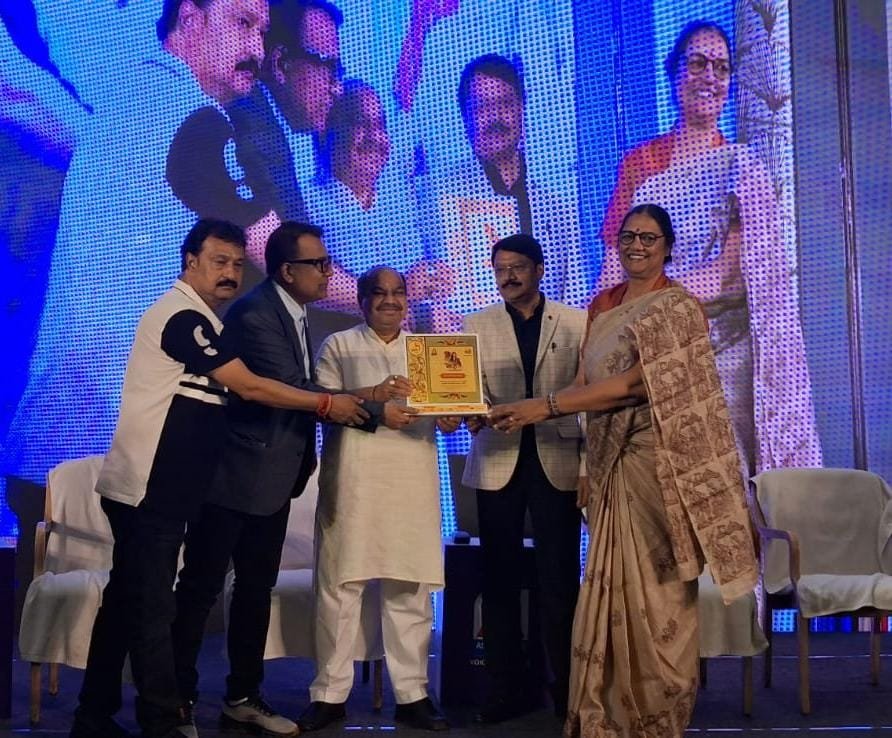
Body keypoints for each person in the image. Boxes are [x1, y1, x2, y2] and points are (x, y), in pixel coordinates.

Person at [70, 219, 371, 738]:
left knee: (126, 600)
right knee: (153, 607)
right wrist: (327, 403)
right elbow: (252, 387)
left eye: (236, 263)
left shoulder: (203, 318)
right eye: (218, 261)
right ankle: (162, 721)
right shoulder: (183, 318)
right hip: (148, 487)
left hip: (167, 488)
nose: (230, 272)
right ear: (190, 261)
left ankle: (93, 714)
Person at [491, 204, 759, 736]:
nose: (636, 245)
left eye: (649, 238)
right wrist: (526, 417)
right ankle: (608, 710)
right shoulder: (604, 304)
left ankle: (657, 709)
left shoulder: (678, 306)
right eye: (628, 236)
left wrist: (541, 407)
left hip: (658, 465)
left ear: (667, 247)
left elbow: (636, 385)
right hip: (610, 462)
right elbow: (586, 387)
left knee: (658, 589)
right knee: (611, 587)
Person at [4, 0, 270, 485]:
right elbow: (276, 251)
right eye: (243, 23)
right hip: (111, 435)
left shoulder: (126, 96)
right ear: (190, 17)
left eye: (263, 32)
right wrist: (384, 289)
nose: (258, 48)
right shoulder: (195, 117)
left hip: (55, 424)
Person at [169, 223, 415, 735]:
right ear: (287, 271)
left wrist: (368, 393)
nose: (328, 272)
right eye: (319, 264)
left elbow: (304, 389)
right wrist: (372, 407)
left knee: (255, 590)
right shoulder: (256, 313)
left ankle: (243, 697)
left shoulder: (294, 311)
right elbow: (288, 388)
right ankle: (177, 701)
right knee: (200, 590)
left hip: (275, 477)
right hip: (233, 474)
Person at [597, 20, 822, 477]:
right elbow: (612, 273)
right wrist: (598, 333)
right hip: (652, 352)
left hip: (723, 359)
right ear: (674, 73)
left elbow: (731, 275)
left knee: (726, 487)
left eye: (721, 67)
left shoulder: (742, 168)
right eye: (697, 63)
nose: (710, 77)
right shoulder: (641, 165)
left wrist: (649, 300)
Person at [298, 266, 455, 732]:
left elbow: (448, 414)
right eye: (379, 293)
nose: (390, 301)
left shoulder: (427, 351)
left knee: (409, 588)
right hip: (354, 482)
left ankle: (413, 694)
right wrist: (374, 398)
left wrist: (451, 416)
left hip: (411, 482)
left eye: (398, 293)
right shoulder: (339, 345)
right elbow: (322, 405)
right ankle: (329, 694)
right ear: (362, 300)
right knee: (340, 588)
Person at [461, 233, 585, 723]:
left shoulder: (577, 322)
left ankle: (568, 690)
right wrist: (471, 412)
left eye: (516, 267)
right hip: (498, 460)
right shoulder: (476, 325)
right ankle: (505, 689)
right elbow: (469, 394)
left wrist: (587, 464)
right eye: (499, 269)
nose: (507, 277)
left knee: (560, 582)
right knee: (499, 580)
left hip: (559, 459)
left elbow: (588, 399)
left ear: (538, 269)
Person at [429, 53, 584, 330]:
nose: (495, 117)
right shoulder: (439, 199)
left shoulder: (556, 208)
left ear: (521, 109)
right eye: (482, 107)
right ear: (464, 117)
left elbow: (574, 301)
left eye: (505, 104)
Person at [303, 79, 451, 324]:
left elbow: (427, 272)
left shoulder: (403, 198)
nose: (375, 137)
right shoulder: (306, 206)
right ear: (327, 132)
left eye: (380, 125)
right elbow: (313, 288)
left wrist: (436, 278)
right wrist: (403, 289)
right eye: (360, 124)